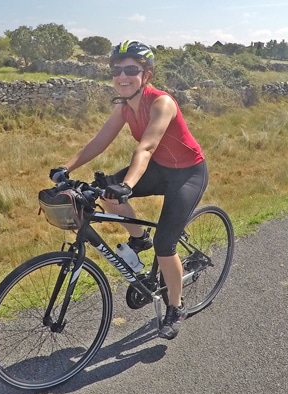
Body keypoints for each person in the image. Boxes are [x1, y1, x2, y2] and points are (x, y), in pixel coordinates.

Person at [50, 39, 208, 340]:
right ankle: (139, 239)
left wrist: (128, 185)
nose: (122, 76)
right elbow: (99, 141)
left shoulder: (162, 103)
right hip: (160, 169)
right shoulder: (123, 106)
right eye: (117, 70)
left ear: (146, 74)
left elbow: (146, 147)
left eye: (131, 70)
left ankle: (175, 307)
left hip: (187, 174)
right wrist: (65, 168)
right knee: (104, 191)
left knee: (165, 245)